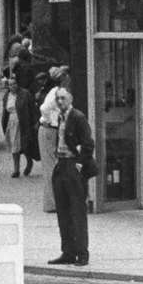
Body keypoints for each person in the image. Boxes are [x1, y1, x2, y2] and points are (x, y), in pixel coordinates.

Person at [49, 88, 95, 266]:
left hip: (72, 166)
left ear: (70, 99)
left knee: (77, 212)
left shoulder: (77, 117)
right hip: (61, 165)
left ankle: (82, 253)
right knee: (63, 211)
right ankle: (67, 252)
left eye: (63, 98)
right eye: (57, 98)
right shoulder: (60, 117)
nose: (60, 101)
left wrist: (79, 165)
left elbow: (88, 144)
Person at [37, 67, 70, 212]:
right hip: (49, 128)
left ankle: (57, 201)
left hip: (56, 129)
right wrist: (53, 121)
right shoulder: (56, 92)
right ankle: (51, 204)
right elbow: (44, 108)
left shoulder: (63, 93)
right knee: (50, 166)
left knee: (57, 165)